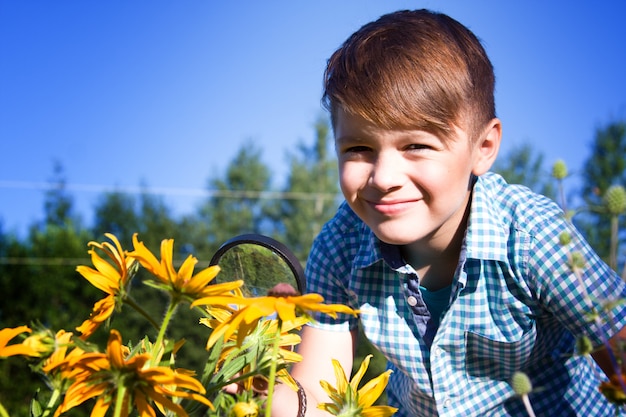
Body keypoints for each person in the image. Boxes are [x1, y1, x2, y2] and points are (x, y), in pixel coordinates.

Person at [272, 9, 626, 417]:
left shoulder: (531, 236)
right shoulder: (340, 246)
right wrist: (264, 391)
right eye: (358, 149)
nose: (383, 177)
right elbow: (317, 395)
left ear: (484, 148)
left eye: (416, 146)